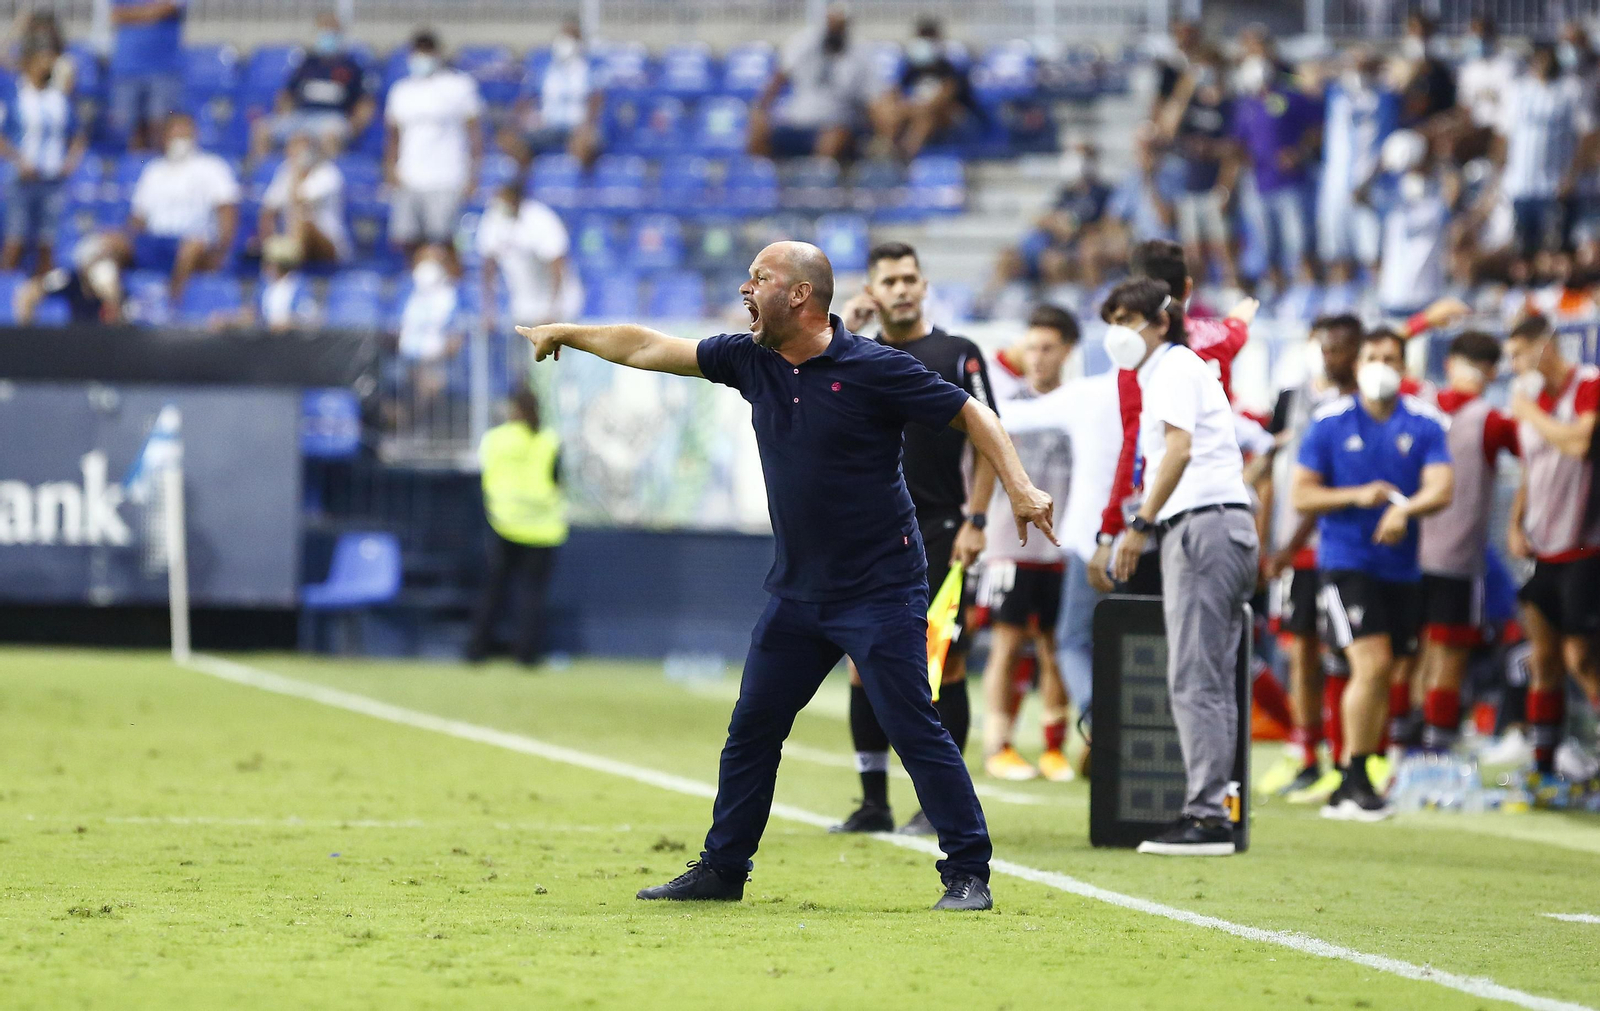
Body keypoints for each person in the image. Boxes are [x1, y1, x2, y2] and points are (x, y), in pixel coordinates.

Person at [518, 240, 1056, 911]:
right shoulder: (751, 359)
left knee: (912, 723)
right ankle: (722, 868)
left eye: (759, 277)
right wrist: (570, 332)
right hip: (798, 592)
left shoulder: (874, 367)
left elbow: (973, 413)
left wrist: (1021, 487)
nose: (746, 289)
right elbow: (650, 347)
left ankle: (967, 870)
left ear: (800, 294)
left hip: (880, 588)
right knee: (753, 727)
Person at [832, 241, 998, 837]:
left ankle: (936, 804)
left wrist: (976, 521)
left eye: (909, 278)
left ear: (925, 286)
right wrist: (845, 326)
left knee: (943, 665)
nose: (901, 289)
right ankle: (872, 800)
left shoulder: (956, 354)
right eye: (889, 281)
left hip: (939, 529)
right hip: (869, 537)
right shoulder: (853, 356)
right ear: (871, 292)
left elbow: (988, 437)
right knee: (861, 664)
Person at [1093, 278, 1258, 856]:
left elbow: (1180, 450)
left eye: (1125, 318)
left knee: (1197, 677)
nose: (1117, 331)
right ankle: (1213, 809)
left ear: (1160, 321)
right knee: (1206, 674)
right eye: (1110, 319)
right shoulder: (1173, 368)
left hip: (1204, 525)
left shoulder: (1172, 368)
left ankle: (1208, 817)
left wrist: (1139, 526)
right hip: (1216, 525)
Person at [1292, 329, 1453, 821]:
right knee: (1374, 664)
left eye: (1390, 357)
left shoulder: (1423, 422)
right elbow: (1303, 494)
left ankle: (1354, 773)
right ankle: (1354, 778)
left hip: (1400, 569)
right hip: (1345, 563)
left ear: (1404, 366)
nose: (1381, 364)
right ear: (1358, 364)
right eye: (1373, 356)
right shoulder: (1329, 421)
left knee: (1388, 673)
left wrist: (1405, 509)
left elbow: (1441, 487)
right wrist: (1355, 496)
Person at [1088, 239, 1254, 595]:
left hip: (1166, 512)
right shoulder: (1219, 338)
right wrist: (1241, 320)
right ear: (1188, 287)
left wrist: (1114, 529)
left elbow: (1137, 446)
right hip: (1222, 504)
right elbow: (1235, 333)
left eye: (1126, 319)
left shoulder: (1151, 359)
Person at [1255, 315, 1362, 798]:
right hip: (1289, 547)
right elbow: (1272, 469)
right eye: (1324, 345)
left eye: (1340, 346)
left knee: (1341, 651)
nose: (1330, 354)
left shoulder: (1361, 406)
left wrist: (1290, 542)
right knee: (1298, 650)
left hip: (1333, 544)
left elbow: (1329, 483)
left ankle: (1346, 754)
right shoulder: (1292, 399)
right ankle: (1305, 751)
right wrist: (1265, 540)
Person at [976, 305, 1077, 782]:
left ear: (1068, 351)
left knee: (1059, 647)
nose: (1037, 357)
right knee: (1006, 644)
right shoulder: (1001, 406)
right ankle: (999, 744)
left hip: (1063, 545)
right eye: (1032, 347)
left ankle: (1054, 747)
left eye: (1048, 348)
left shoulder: (1081, 407)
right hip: (1006, 543)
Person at [1504, 314, 1600, 789]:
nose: (1515, 365)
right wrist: (1514, 520)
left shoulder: (1587, 385)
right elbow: (1531, 468)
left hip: (1585, 546)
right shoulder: (1533, 403)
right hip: (1542, 548)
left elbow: (1580, 442)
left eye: (1520, 353)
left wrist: (1532, 416)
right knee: (1542, 658)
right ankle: (1543, 765)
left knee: (1582, 658)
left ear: (1546, 346)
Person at [1417, 331, 1520, 753]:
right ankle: (1436, 751)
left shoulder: (1419, 406)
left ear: (1450, 363)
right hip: (1457, 559)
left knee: (1413, 659)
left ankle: (1404, 749)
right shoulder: (1491, 420)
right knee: (1448, 657)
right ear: (1493, 372)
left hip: (1409, 553)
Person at [466, 387, 568, 666]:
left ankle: (477, 650)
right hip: (543, 527)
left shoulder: (496, 438)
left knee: (494, 591)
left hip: (504, 522)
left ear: (513, 409)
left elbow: (483, 473)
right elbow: (558, 480)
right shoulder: (549, 440)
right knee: (531, 596)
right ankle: (526, 654)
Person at [1494, 44, 1593, 280]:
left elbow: (1588, 135)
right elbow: (1503, 135)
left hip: (1553, 187)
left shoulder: (1571, 90)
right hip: (1521, 186)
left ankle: (1554, 300)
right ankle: (1522, 300)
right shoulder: (1517, 91)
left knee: (1553, 253)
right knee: (1521, 254)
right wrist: (1497, 175)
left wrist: (1572, 176)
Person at [118, 113, 240, 299]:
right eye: (175, 134)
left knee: (190, 249)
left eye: (185, 134)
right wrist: (129, 241)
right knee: (107, 245)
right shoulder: (153, 170)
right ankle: (115, 309)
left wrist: (222, 251)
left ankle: (172, 303)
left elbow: (227, 212)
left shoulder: (212, 167)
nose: (179, 140)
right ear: (165, 136)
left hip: (195, 244)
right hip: (156, 242)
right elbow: (138, 218)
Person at [385, 30, 483, 259]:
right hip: (409, 177)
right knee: (407, 239)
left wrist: (473, 175)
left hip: (447, 177)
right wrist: (390, 168)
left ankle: (449, 288)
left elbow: (475, 134)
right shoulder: (401, 90)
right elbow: (394, 136)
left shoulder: (459, 86)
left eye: (426, 52)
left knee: (443, 240)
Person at [1231, 54, 1321, 291]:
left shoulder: (1289, 98)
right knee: (1268, 246)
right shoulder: (1247, 106)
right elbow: (1239, 143)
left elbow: (1316, 126)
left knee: (1299, 242)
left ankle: (1307, 292)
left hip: (1291, 184)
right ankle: (1280, 294)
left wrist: (1300, 153)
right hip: (1261, 183)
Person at [1156, 45, 1241, 289]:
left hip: (1216, 184)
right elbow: (1167, 130)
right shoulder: (1190, 103)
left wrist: (1225, 186)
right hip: (1190, 184)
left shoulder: (1229, 104)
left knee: (1222, 246)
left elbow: (1236, 148)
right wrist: (1185, 88)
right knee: (1192, 252)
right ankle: (1197, 299)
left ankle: (1231, 294)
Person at [747, 5, 881, 161]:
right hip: (797, 122)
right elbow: (778, 78)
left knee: (832, 139)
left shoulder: (860, 52)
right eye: (831, 23)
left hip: (838, 123)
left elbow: (873, 98)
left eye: (840, 24)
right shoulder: (803, 43)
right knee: (758, 133)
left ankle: (817, 183)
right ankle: (764, 182)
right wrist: (760, 111)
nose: (835, 30)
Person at [1, 41, 87, 274]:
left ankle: (43, 299)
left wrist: (70, 162)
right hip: (23, 180)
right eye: (42, 60)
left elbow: (77, 134)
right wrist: (19, 161)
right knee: (14, 241)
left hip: (53, 181)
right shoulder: (17, 97)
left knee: (48, 243)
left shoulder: (59, 99)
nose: (46, 65)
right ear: (29, 64)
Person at [1318, 47, 1398, 287]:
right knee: (1336, 250)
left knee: (1372, 250)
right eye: (1354, 67)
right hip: (1335, 183)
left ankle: (1376, 296)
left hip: (1370, 186)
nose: (1358, 73)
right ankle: (1342, 299)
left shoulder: (1385, 98)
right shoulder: (1336, 95)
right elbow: (1305, 77)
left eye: (1364, 68)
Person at [251, 12, 376, 160]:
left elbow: (365, 103)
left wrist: (354, 126)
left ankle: (324, 177)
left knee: (329, 136)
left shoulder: (351, 67)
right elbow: (286, 95)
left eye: (331, 32)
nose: (327, 36)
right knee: (262, 130)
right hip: (301, 116)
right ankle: (263, 175)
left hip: (333, 119)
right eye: (323, 31)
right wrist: (285, 113)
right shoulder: (306, 64)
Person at [475, 181, 582, 335]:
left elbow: (558, 266)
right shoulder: (493, 217)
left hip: (558, 304)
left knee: (556, 356)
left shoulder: (541, 219)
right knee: (523, 357)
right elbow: (488, 266)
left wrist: (552, 311)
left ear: (516, 199)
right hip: (523, 304)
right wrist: (488, 311)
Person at [504, 17, 602, 167]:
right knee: (510, 140)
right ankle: (527, 184)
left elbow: (596, 102)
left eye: (571, 37)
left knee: (584, 144)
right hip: (546, 127)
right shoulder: (545, 70)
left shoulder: (588, 70)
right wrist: (525, 119)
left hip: (576, 128)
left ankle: (572, 185)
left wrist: (587, 125)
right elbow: (526, 100)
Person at [876, 17, 976, 161]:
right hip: (914, 111)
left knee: (925, 118)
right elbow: (894, 92)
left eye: (928, 38)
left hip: (945, 115)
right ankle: (885, 152)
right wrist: (901, 107)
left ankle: (906, 156)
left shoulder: (948, 68)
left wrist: (915, 108)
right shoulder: (909, 68)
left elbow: (946, 96)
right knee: (886, 110)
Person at [259, 133, 351, 267]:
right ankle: (279, 264)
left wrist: (296, 170)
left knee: (303, 222)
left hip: (328, 243)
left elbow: (299, 199)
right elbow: (268, 209)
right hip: (292, 240)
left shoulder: (328, 173)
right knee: (269, 224)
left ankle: (289, 264)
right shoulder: (284, 170)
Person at [109, 0, 185, 150]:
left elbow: (170, 8)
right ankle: (135, 170)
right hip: (127, 69)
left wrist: (132, 14)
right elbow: (115, 15)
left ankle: (159, 171)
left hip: (164, 69)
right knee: (128, 131)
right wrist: (152, 12)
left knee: (160, 127)